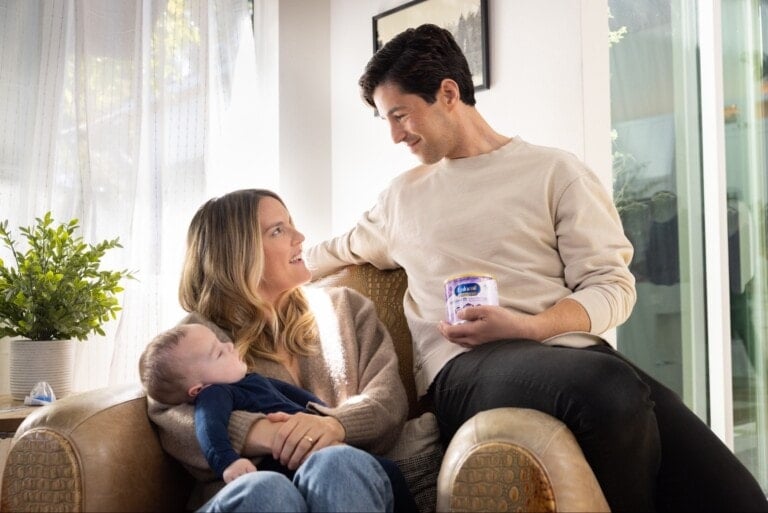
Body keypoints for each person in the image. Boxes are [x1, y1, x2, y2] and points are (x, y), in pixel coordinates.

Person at [305, 23, 768, 513]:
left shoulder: (555, 172)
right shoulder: (401, 199)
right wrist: (234, 268)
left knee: (738, 498)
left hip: (575, 356)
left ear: (447, 93)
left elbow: (611, 286)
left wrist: (533, 325)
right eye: (386, 121)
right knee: (608, 390)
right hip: (464, 369)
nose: (396, 135)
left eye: (400, 115)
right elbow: (323, 254)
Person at [146, 189, 417, 513]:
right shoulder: (196, 339)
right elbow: (172, 417)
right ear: (237, 254)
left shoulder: (346, 309)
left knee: (334, 464)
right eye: (278, 230)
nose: (300, 237)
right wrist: (266, 434)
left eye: (292, 224)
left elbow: (388, 399)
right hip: (249, 498)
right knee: (266, 490)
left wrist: (334, 426)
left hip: (350, 480)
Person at [139, 322, 331, 483]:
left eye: (221, 342)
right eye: (218, 353)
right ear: (198, 389)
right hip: (292, 463)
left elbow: (303, 398)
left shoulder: (254, 380)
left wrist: (331, 417)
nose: (229, 346)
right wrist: (228, 462)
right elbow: (209, 428)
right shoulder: (215, 393)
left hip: (320, 441)